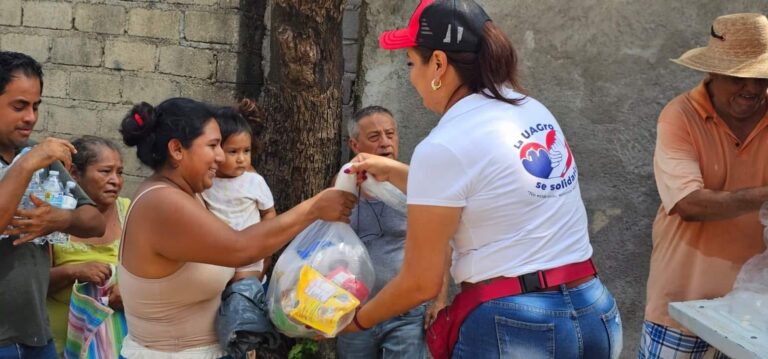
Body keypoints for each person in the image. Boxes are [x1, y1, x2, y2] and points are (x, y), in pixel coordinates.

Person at [343, 1, 622, 358]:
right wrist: (396, 172)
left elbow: (420, 282)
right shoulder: (530, 108)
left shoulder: (444, 143)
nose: (411, 78)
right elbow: (484, 192)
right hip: (594, 309)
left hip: (518, 328)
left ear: (439, 65)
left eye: (412, 64)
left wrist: (355, 322)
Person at [117, 97, 356, 358]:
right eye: (213, 145)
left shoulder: (189, 194)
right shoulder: (162, 203)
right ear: (176, 149)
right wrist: (313, 209)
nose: (221, 157)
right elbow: (240, 247)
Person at [639, 13, 768, 359]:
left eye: (762, 77)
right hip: (682, 307)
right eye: (740, 76)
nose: (753, 89)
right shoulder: (679, 117)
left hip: (755, 315)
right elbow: (689, 204)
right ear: (711, 72)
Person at [0, 51, 105, 359]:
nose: (31, 117)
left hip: (36, 335)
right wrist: (25, 165)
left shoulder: (39, 155)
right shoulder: (35, 156)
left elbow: (94, 222)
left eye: (35, 106)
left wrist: (60, 219)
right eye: (19, 106)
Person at [336, 106, 448, 359]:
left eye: (390, 134)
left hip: (406, 312)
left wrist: (439, 301)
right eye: (374, 137)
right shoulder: (344, 186)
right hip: (354, 310)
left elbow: (439, 243)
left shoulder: (415, 185)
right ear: (355, 144)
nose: (385, 143)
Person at [47, 136, 129, 356]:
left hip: (117, 343)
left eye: (119, 172)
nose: (116, 181)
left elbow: (159, 273)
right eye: (105, 171)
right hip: (60, 345)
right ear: (74, 173)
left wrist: (133, 291)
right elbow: (33, 284)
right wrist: (73, 271)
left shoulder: (131, 214)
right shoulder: (52, 217)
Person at [202, 100, 276, 283]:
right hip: (216, 262)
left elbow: (269, 213)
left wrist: (263, 244)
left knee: (241, 302)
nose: (241, 159)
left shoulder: (254, 182)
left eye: (247, 151)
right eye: (233, 152)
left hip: (249, 264)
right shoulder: (205, 182)